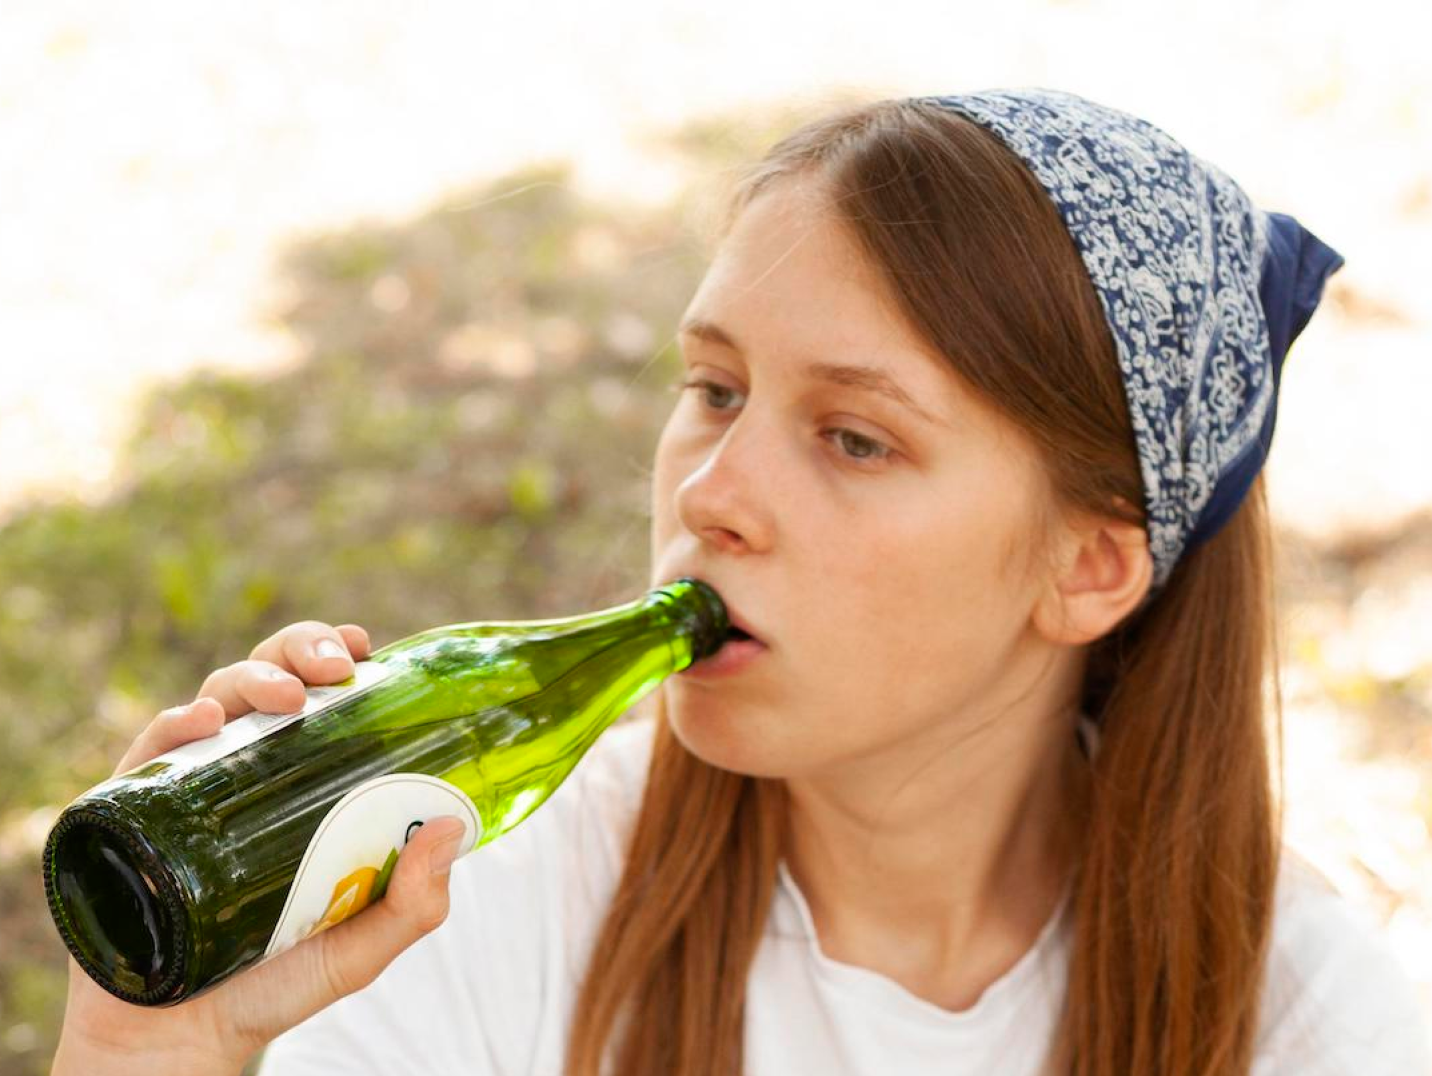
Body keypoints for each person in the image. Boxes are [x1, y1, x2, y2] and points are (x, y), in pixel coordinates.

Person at [51, 88, 1430, 1076]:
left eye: (854, 437)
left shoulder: (1311, 1028)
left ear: (1087, 566)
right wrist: (154, 1050)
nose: (711, 496)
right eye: (714, 389)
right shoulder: (480, 888)